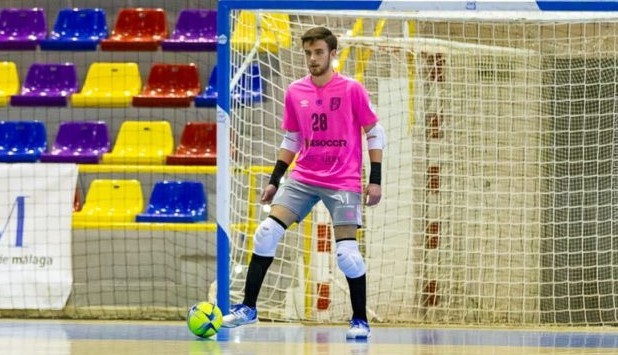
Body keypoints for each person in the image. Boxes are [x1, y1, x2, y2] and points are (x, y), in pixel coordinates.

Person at [221, 26, 386, 339]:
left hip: (343, 180)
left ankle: (360, 320)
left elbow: (375, 132)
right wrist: (274, 180)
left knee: (347, 254)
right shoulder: (296, 91)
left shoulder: (352, 89)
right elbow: (292, 138)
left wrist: (375, 180)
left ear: (332, 53)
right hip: (304, 176)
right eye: (308, 53)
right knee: (266, 232)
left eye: (319, 52)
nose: (313, 58)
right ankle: (248, 307)